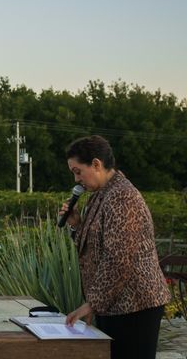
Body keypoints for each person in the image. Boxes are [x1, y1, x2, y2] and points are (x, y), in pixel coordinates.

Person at [59, 135, 170, 359]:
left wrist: (91, 305)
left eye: (78, 171)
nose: (76, 179)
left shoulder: (122, 197)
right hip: (116, 304)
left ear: (97, 164)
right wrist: (76, 226)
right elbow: (95, 247)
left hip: (135, 305)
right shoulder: (101, 194)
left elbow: (118, 259)